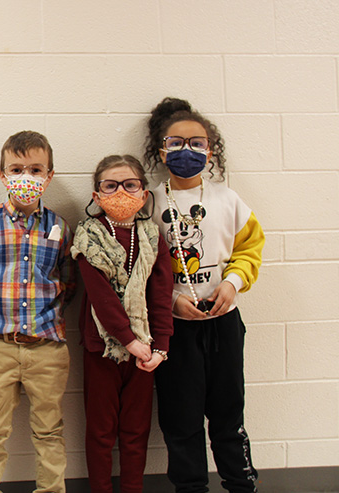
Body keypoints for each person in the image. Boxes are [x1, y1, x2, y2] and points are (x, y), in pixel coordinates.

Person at [144, 97, 265, 493]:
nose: (186, 151)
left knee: (229, 413)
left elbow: (250, 248)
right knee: (181, 420)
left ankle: (241, 483)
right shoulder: (147, 203)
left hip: (223, 327)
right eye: (176, 142)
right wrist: (170, 301)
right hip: (173, 330)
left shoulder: (227, 200)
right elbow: (138, 266)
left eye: (197, 142)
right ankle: (190, 487)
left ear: (210, 149)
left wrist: (232, 284)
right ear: (161, 149)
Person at [0, 130, 76, 493]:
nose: (26, 177)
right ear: (2, 175)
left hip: (48, 348)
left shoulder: (60, 226)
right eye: (17, 169)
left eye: (36, 169)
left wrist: (45, 313)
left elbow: (68, 281)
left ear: (49, 176)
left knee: (49, 430)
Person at [71, 154, 173, 493]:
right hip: (103, 347)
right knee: (101, 430)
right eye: (110, 185)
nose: (121, 192)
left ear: (143, 193)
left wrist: (160, 347)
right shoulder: (88, 234)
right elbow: (100, 296)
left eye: (130, 185)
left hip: (145, 351)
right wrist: (129, 341)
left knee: (136, 429)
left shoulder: (152, 235)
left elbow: (160, 293)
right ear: (96, 195)